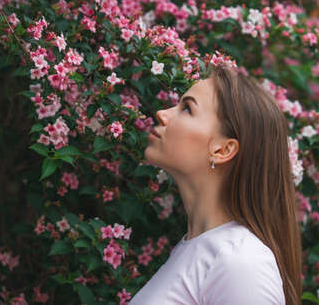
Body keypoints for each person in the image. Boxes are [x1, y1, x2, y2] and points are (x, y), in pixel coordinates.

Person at [129, 62, 302, 305]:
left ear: (223, 149)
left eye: (187, 109)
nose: (162, 113)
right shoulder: (200, 249)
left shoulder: (240, 261)